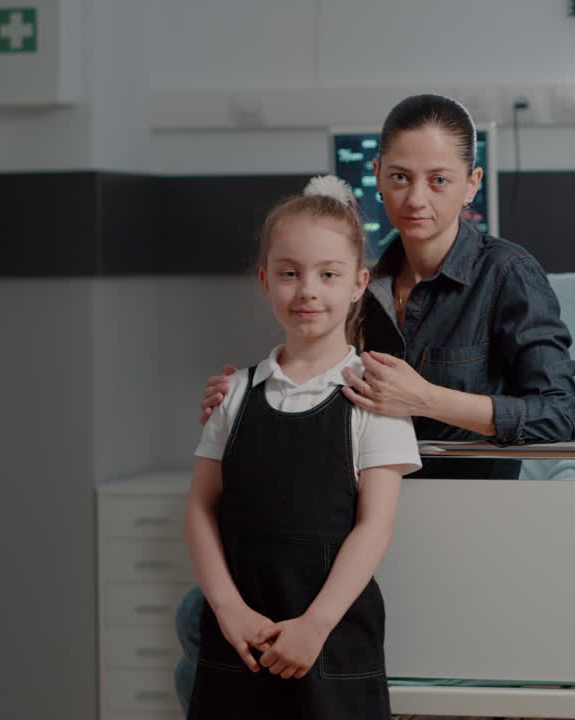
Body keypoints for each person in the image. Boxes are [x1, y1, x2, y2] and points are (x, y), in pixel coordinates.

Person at [177, 93, 575, 711]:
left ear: (471, 184)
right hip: (340, 511)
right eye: (399, 178)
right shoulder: (358, 278)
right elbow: (314, 372)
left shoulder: (506, 274)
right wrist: (247, 404)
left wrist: (427, 399)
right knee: (200, 620)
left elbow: (557, 416)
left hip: (448, 522)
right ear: (377, 177)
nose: (416, 198)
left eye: (438, 180)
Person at [185, 176, 422, 719]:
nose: (308, 290)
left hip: (331, 639)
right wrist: (228, 610)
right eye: (289, 273)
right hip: (238, 640)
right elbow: (200, 507)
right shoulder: (233, 394)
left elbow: (375, 527)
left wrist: (315, 625)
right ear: (265, 281)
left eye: (328, 274)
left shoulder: (374, 398)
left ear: (359, 283)